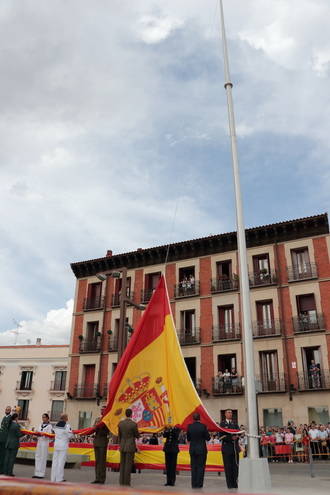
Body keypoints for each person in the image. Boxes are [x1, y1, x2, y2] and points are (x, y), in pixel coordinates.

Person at [187, 412, 210, 489]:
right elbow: (208, 438)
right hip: (201, 449)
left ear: (193, 418)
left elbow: (188, 439)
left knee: (193, 467)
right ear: (199, 418)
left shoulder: (189, 427)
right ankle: (199, 484)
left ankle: (194, 484)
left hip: (193, 449)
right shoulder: (203, 426)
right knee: (201, 467)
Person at [118, 408, 140, 486]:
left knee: (122, 464)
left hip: (122, 445)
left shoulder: (120, 423)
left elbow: (119, 436)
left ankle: (121, 481)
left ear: (125, 414)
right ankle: (126, 482)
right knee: (128, 465)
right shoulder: (133, 424)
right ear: (131, 414)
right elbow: (137, 435)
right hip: (130, 445)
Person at [219, 409, 240, 489]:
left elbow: (239, 432)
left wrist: (237, 437)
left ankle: (235, 483)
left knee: (235, 466)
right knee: (228, 467)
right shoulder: (222, 424)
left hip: (234, 448)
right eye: (228, 412)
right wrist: (231, 438)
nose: (230, 414)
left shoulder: (235, 424)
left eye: (231, 412)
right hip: (226, 448)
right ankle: (230, 485)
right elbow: (221, 436)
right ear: (225, 414)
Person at [50, 414, 73, 482]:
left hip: (56, 444)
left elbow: (54, 431)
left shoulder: (56, 425)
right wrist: (72, 433)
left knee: (55, 462)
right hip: (63, 445)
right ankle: (59, 478)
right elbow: (70, 435)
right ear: (65, 418)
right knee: (61, 462)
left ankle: (53, 478)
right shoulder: (67, 425)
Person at [91, 406, 110, 484]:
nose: (101, 411)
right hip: (96, 441)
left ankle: (102, 478)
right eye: (101, 410)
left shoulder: (107, 420)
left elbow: (107, 431)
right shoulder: (97, 419)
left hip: (103, 441)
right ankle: (97, 478)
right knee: (97, 461)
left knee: (102, 461)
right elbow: (92, 428)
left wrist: (98, 428)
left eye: (103, 410)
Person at [33, 413, 53, 479]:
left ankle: (41, 474)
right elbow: (37, 432)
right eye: (42, 417)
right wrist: (36, 434)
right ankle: (36, 472)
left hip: (45, 442)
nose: (43, 418)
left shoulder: (49, 426)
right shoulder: (40, 425)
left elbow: (50, 435)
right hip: (39, 442)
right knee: (37, 456)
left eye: (44, 417)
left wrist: (43, 434)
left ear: (47, 418)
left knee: (43, 458)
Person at [0, 406, 12, 474]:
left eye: (8, 410)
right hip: (1, 438)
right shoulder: (4, 417)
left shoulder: (10, 418)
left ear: (10, 411)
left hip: (5, 439)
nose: (6, 411)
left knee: (4, 455)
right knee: (1, 455)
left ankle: (3, 470)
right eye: (6, 409)